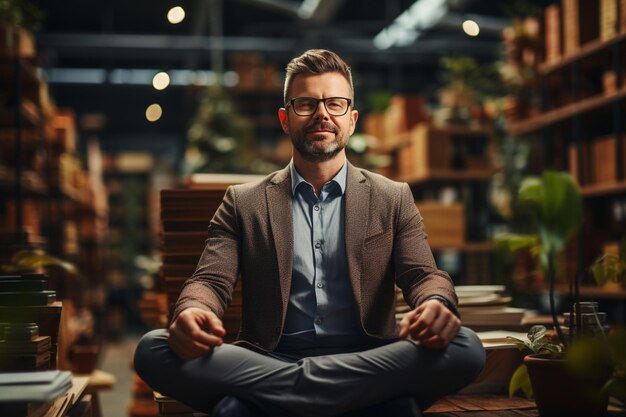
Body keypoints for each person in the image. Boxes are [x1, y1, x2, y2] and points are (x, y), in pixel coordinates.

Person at [134, 49, 485, 417]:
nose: (322, 114)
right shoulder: (244, 202)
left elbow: (424, 275)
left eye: (335, 104)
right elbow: (210, 279)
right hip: (273, 358)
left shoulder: (392, 197)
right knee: (153, 348)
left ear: (352, 120)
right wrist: (193, 310)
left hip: (365, 357)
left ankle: (291, 395)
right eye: (306, 104)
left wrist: (435, 304)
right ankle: (336, 397)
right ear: (285, 119)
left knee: (466, 346)